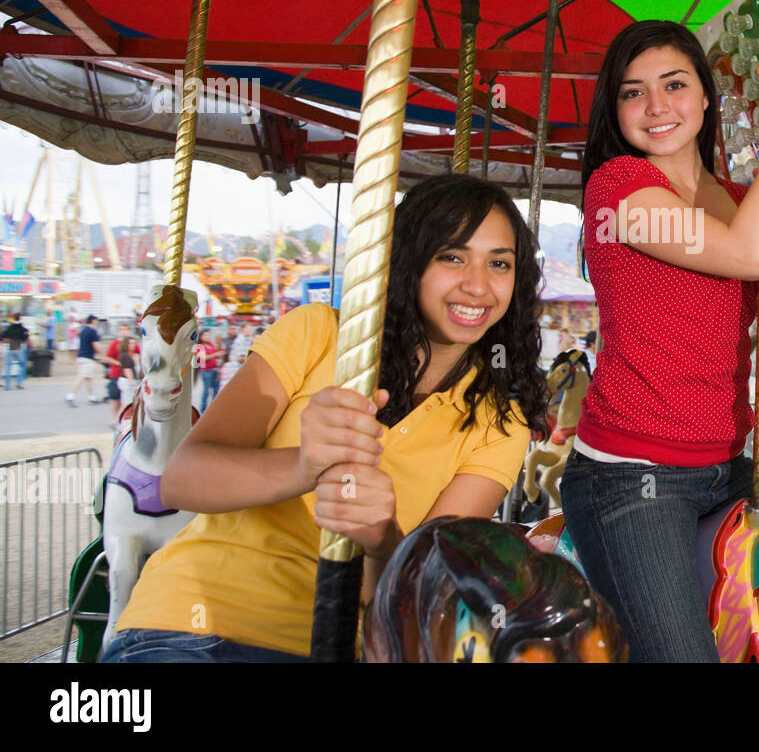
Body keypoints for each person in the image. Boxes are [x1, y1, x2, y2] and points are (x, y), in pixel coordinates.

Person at [101, 174, 549, 662]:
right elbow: (184, 480)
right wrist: (304, 466)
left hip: (333, 642)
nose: (477, 285)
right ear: (409, 260)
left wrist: (382, 539)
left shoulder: (498, 421)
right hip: (192, 621)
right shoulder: (318, 335)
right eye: (452, 256)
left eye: (499, 263)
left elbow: (421, 590)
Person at [561, 20, 759, 662]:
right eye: (632, 92)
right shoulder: (618, 189)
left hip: (733, 464)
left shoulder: (740, 201)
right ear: (615, 111)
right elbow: (750, 255)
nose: (655, 106)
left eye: (674, 85)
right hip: (634, 473)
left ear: (705, 97)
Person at [66, 314, 104, 407]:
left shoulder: (83, 330)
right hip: (88, 357)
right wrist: (102, 355)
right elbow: (96, 345)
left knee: (88, 378)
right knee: (82, 376)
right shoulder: (93, 331)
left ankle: (92, 397)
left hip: (81, 356)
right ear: (93, 321)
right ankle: (70, 395)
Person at [105, 324, 136, 425]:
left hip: (124, 376)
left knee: (123, 401)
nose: (124, 332)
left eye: (126, 330)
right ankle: (115, 420)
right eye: (121, 330)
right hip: (116, 374)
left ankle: (118, 420)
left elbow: (139, 353)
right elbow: (108, 357)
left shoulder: (132, 344)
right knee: (116, 399)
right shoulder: (115, 344)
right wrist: (119, 363)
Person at [194, 329, 221, 413]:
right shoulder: (199, 346)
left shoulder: (211, 345)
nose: (207, 337)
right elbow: (203, 358)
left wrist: (217, 363)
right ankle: (203, 409)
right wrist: (215, 355)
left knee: (216, 390)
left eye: (208, 335)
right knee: (206, 391)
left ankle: (213, 409)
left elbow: (214, 357)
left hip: (214, 370)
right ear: (201, 337)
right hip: (206, 371)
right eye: (205, 335)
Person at [3, 314, 29, 390]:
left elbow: (3, 336)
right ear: (20, 318)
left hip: (10, 348)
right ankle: (19, 383)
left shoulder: (10, 328)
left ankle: (7, 385)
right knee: (22, 365)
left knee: (8, 366)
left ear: (13, 319)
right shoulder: (22, 328)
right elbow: (25, 337)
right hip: (19, 349)